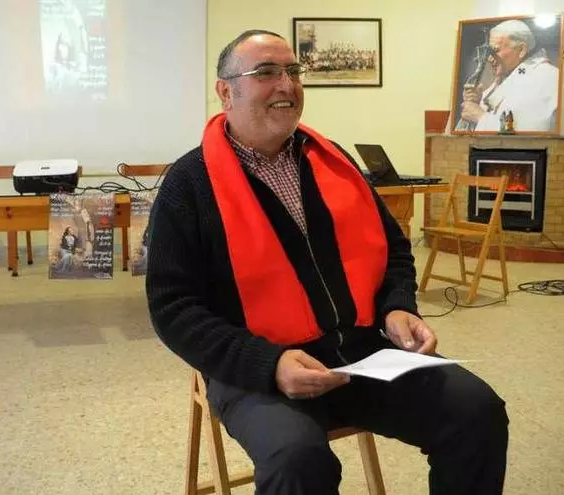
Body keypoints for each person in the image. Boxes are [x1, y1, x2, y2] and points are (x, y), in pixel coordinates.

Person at [145, 29, 509, 495]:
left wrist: (397, 307)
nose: (286, 84)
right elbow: (173, 308)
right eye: (266, 72)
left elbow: (393, 249)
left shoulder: (333, 160)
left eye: (293, 71)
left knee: (477, 412)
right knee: (297, 462)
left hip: (361, 353)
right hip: (257, 370)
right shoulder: (189, 184)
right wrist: (268, 363)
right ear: (225, 91)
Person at [461, 19, 559, 132]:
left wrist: (481, 117)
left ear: (521, 50)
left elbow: (533, 130)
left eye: (495, 50)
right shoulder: (508, 77)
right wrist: (477, 102)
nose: (489, 58)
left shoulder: (547, 77)